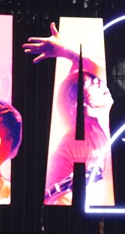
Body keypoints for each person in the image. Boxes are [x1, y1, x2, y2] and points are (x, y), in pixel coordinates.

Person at [24, 22, 115, 206]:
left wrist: (67, 51)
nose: (101, 84)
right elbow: (50, 194)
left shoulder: (115, 120)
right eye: (93, 84)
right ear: (84, 105)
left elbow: (101, 67)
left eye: (98, 81)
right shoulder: (72, 144)